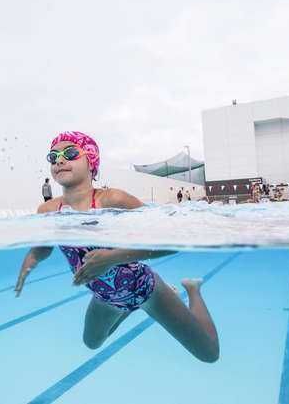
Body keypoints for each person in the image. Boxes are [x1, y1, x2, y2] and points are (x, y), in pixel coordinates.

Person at [15, 131, 220, 363]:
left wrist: (112, 258)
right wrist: (29, 263)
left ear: (91, 161)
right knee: (92, 343)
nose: (59, 160)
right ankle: (127, 309)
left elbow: (174, 241)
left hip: (145, 288)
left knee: (209, 353)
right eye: (53, 157)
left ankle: (192, 289)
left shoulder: (113, 200)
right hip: (104, 296)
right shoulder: (48, 211)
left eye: (70, 153)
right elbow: (42, 248)